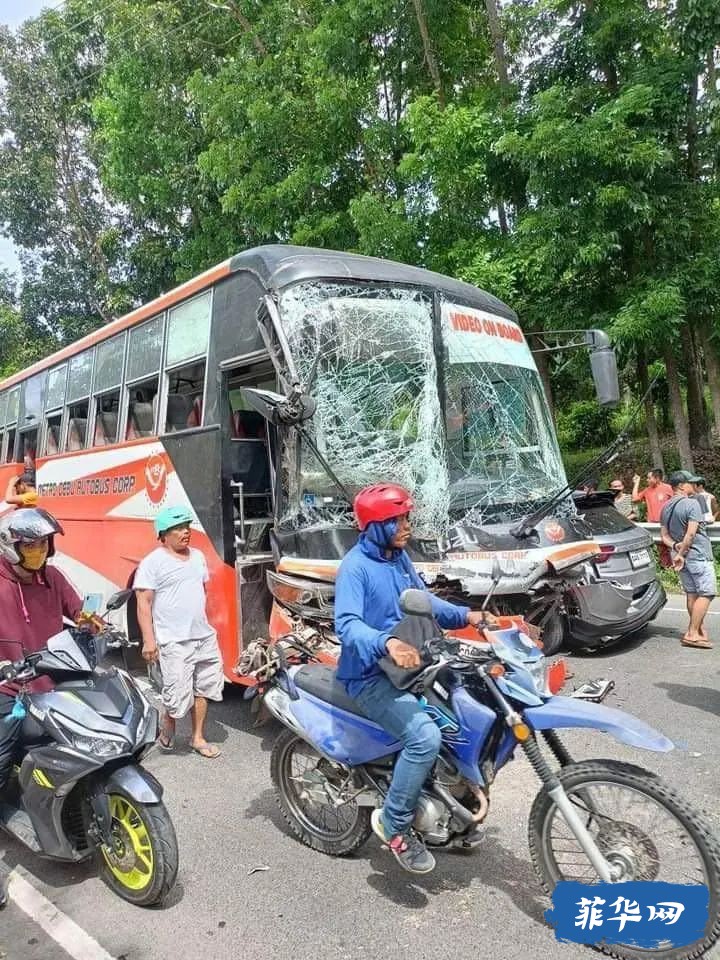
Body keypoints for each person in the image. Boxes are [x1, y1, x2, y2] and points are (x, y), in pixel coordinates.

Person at [335, 483, 491, 875]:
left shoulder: (397, 559)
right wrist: (386, 642)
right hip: (371, 676)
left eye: (407, 518)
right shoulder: (355, 568)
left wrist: (466, 615)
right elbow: (348, 625)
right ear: (375, 526)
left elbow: (423, 602)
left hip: (413, 666)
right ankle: (396, 825)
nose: (407, 526)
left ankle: (451, 809)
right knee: (424, 737)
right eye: (398, 520)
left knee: (467, 714)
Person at [0, 508, 82, 792]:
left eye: (43, 543)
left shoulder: (53, 577)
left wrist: (95, 624)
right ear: (10, 547)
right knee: (1, 755)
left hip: (55, 679)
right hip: (10, 687)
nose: (38, 550)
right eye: (30, 545)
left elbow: (78, 611)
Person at [134, 505, 223, 759]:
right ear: (163, 534)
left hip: (203, 636)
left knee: (204, 688)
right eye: (178, 528)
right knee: (176, 696)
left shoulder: (197, 556)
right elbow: (144, 602)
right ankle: (169, 719)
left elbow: (200, 592)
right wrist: (149, 641)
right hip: (173, 640)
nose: (186, 532)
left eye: (187, 526)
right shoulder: (152, 563)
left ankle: (197, 737)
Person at [660, 471, 716, 650]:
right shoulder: (692, 503)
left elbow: (664, 536)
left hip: (678, 556)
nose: (695, 485)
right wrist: (683, 553)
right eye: (691, 483)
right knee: (707, 593)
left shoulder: (666, 506)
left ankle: (698, 631)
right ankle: (692, 633)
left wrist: (676, 548)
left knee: (692, 593)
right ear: (681, 486)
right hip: (697, 555)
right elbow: (691, 534)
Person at [633, 468, 674, 566]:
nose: (647, 480)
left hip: (667, 523)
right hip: (653, 524)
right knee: (661, 550)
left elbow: (675, 501)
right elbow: (635, 499)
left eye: (649, 478)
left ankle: (676, 569)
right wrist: (636, 483)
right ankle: (666, 569)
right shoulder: (647, 490)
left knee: (671, 546)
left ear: (657, 478)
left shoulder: (667, 488)